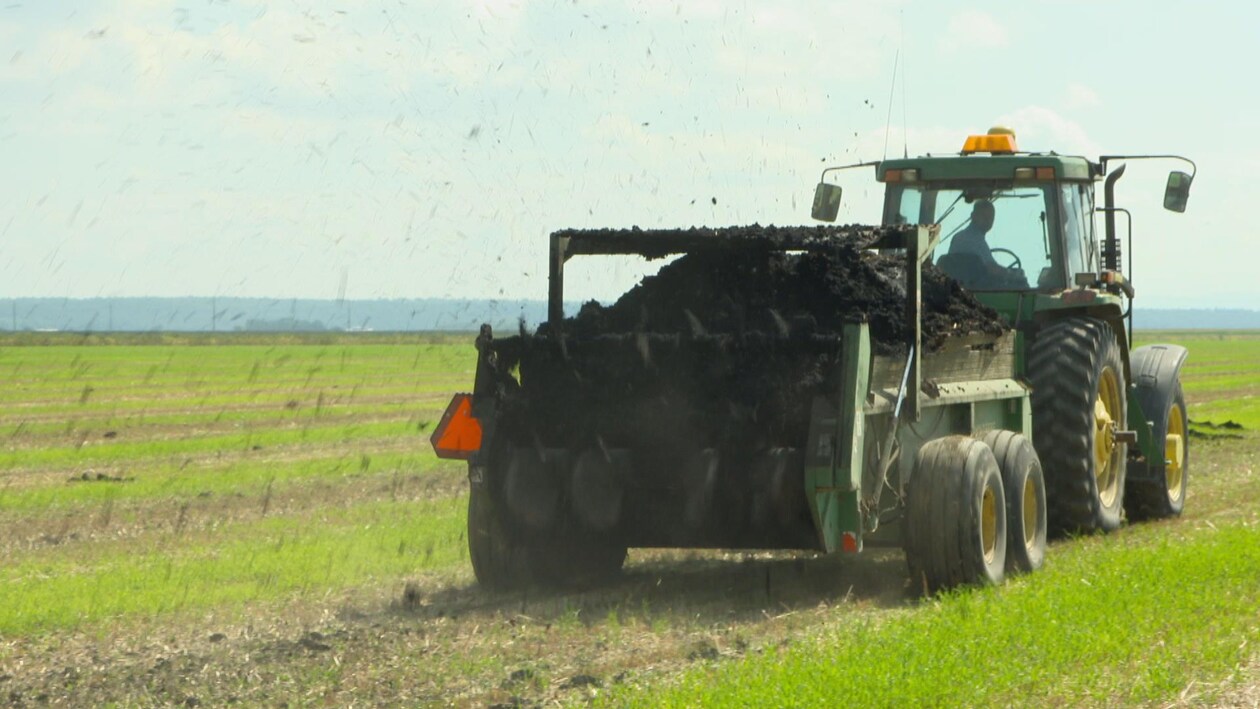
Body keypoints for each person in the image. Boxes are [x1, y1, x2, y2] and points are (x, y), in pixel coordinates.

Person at [948, 199, 999, 269]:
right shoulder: (975, 240)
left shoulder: (958, 236)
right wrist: (1009, 272)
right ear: (973, 216)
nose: (987, 220)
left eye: (990, 217)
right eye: (983, 216)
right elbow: (991, 268)